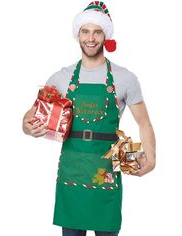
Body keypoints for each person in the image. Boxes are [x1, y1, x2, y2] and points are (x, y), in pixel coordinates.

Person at [22, 1, 156, 236]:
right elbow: (33, 114)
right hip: (72, 169)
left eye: (97, 32)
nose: (91, 38)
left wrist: (152, 158)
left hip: (105, 168)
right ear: (78, 35)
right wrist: (26, 125)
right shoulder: (62, 78)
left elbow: (144, 123)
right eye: (85, 31)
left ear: (106, 35)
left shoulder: (125, 78)